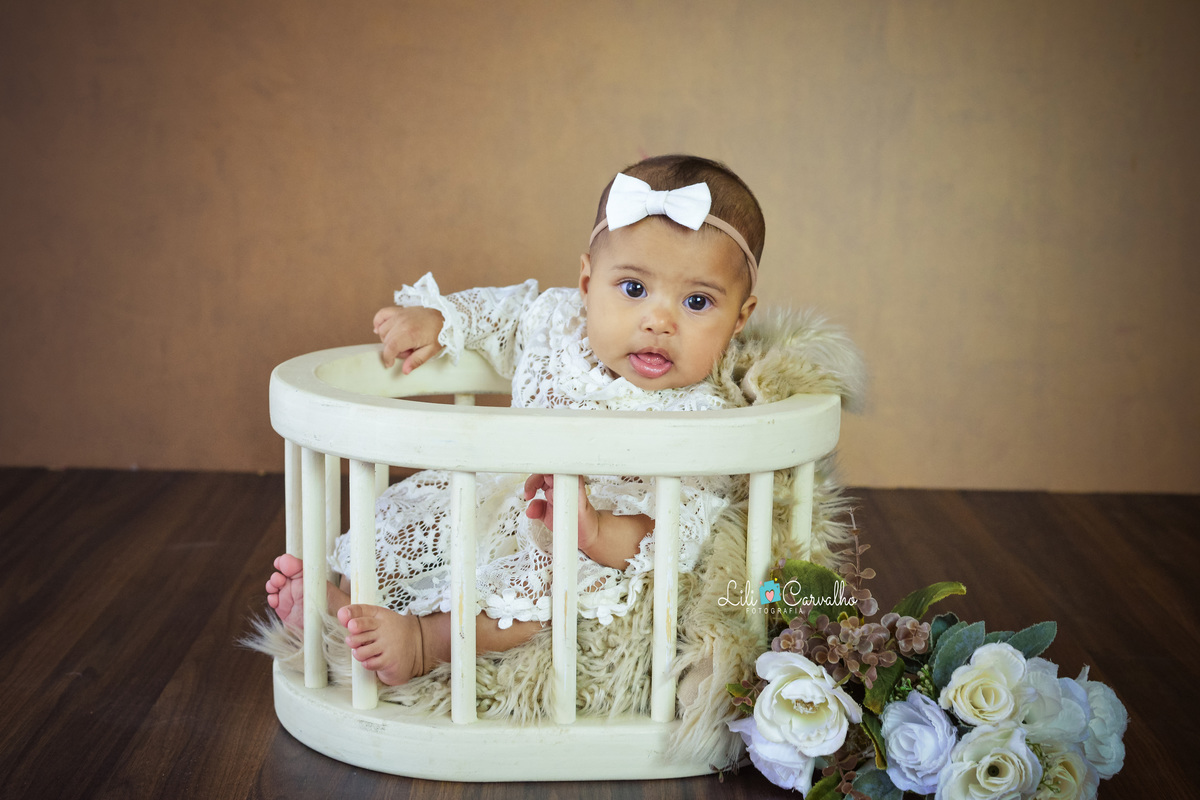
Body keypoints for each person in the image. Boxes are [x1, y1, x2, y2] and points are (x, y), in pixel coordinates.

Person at [266, 154, 765, 686]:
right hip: (497, 496)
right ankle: (345, 604)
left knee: (540, 601)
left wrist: (593, 532)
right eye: (634, 289)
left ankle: (422, 642)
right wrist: (442, 320)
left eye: (696, 301)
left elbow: (670, 529)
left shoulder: (708, 418)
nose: (658, 322)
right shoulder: (556, 321)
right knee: (402, 526)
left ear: (740, 317)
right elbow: (502, 314)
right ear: (587, 282)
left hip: (585, 541)